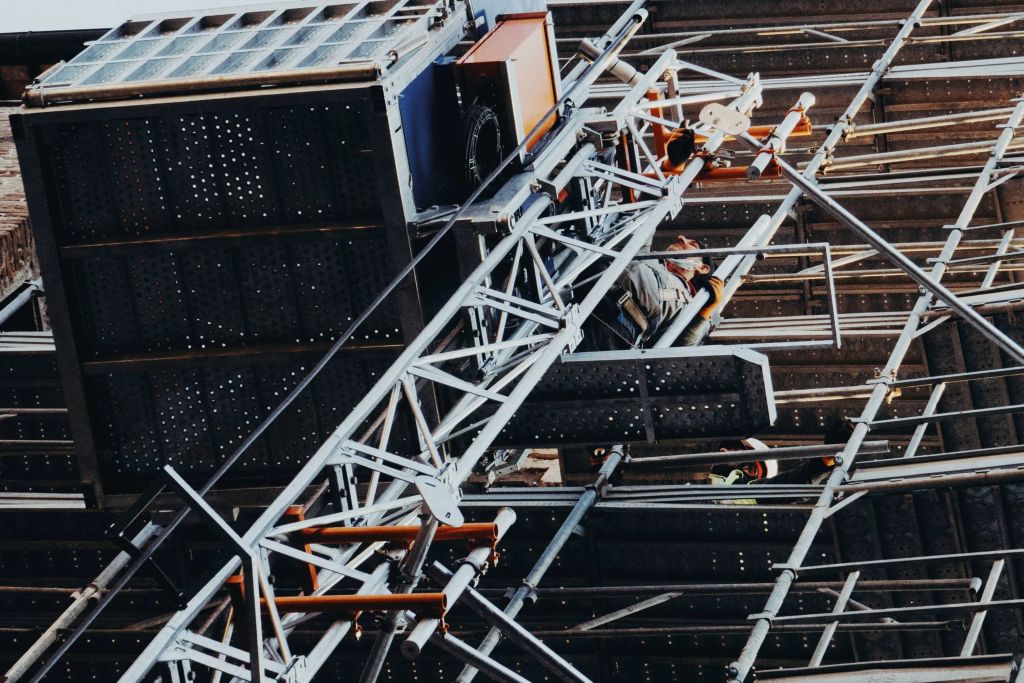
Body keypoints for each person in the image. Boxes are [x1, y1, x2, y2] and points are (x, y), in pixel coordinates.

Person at [580, 234, 725, 350]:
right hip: (581, 291)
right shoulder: (647, 257)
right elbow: (641, 227)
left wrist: (705, 313)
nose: (681, 237)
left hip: (615, 330)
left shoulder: (689, 307)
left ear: (701, 268)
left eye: (692, 244)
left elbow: (681, 350)